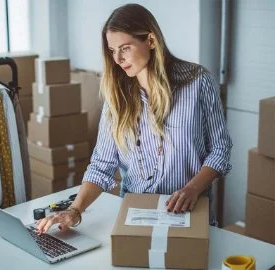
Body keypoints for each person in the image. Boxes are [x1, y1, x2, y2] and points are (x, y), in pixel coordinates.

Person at [36, 3, 232, 233]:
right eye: (112, 50)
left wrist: (192, 189)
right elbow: (101, 165)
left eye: (125, 48)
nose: (117, 59)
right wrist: (75, 210)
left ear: (150, 41)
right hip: (136, 216)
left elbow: (221, 148)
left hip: (189, 215)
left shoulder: (198, 82)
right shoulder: (117, 97)